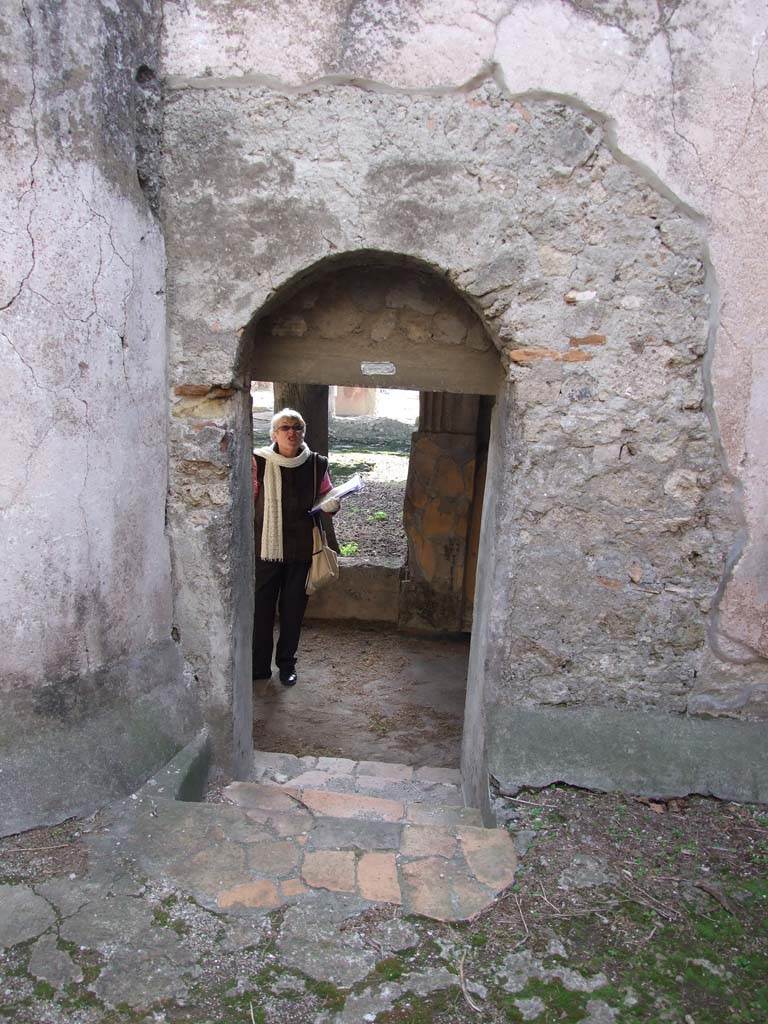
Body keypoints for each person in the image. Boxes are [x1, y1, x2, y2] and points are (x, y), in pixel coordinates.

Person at [252, 408, 340, 687]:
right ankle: (258, 666)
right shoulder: (258, 461)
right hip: (265, 549)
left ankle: (287, 664)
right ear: (274, 434)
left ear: (303, 432)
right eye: (285, 427)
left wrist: (331, 503)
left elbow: (326, 494)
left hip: (301, 549)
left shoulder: (316, 464)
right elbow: (249, 498)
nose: (292, 432)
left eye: (297, 427)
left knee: (293, 612)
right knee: (261, 610)